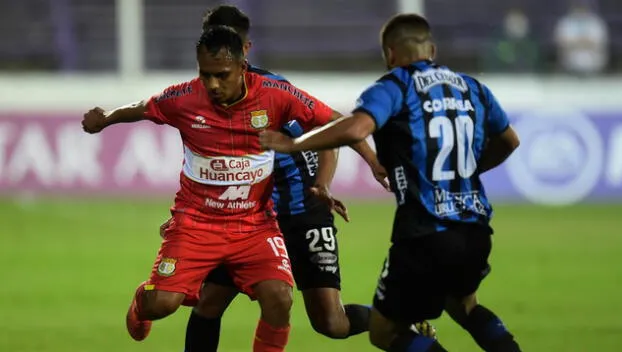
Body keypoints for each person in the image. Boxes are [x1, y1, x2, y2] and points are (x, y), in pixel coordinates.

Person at [260, 13, 522, 352]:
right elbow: (510, 141)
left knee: (384, 332)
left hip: (424, 234)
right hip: (475, 228)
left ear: (390, 54)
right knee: (465, 306)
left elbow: (355, 128)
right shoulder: (473, 87)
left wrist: (294, 143)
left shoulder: (396, 85)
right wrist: (469, 173)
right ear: (432, 49)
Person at [82, 25, 340, 352]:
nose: (213, 84)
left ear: (243, 67)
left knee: (279, 298)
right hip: (196, 225)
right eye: (205, 75)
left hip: (254, 226)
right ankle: (141, 302)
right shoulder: (184, 97)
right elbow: (143, 107)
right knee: (162, 304)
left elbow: (335, 122)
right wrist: (106, 117)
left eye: (222, 75)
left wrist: (330, 176)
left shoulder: (275, 94)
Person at [169, 5, 393, 352]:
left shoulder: (273, 92)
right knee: (209, 302)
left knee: (331, 323)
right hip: (250, 221)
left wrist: (327, 181)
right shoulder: (201, 98)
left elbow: (332, 130)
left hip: (302, 213)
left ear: (244, 49)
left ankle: (397, 321)